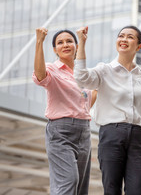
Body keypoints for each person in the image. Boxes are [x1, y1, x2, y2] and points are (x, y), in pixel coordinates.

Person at [74, 25, 141, 195]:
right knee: (111, 189)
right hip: (112, 134)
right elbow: (81, 79)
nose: (124, 39)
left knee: (136, 191)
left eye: (129, 37)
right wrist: (82, 44)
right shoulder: (104, 70)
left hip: (139, 138)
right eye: (121, 36)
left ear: (138, 46)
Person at [33, 27, 96, 195]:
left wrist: (82, 40)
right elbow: (40, 75)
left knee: (81, 187)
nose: (65, 44)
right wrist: (39, 41)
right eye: (60, 43)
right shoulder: (52, 69)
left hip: (84, 131)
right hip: (60, 132)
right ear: (55, 50)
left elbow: (90, 98)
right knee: (69, 181)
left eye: (69, 41)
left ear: (75, 45)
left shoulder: (83, 74)